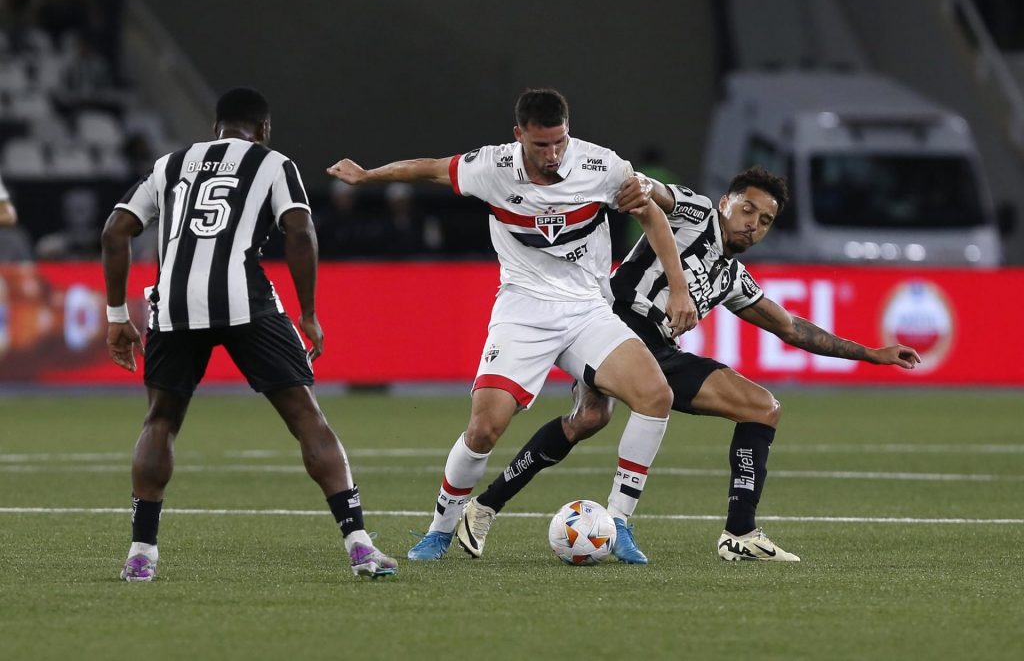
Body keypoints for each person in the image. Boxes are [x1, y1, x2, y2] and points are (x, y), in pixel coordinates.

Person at [461, 167, 923, 562]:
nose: (753, 225)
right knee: (591, 418)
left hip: (658, 350)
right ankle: (490, 509)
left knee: (761, 407)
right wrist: (633, 182)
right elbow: (653, 193)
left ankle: (739, 534)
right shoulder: (696, 212)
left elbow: (792, 329)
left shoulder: (732, 277)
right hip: (611, 326)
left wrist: (868, 352)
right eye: (747, 210)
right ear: (726, 202)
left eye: (765, 221)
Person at [327, 88, 695, 564]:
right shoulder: (492, 167)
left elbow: (653, 216)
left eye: (560, 141)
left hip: (586, 308)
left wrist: (680, 289)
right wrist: (368, 175)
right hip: (523, 312)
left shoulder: (602, 166)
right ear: (519, 135)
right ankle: (439, 530)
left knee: (655, 395)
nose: (554, 153)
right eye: (542, 144)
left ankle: (620, 523)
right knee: (484, 428)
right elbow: (431, 166)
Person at [101, 87, 397, 581]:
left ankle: (141, 555)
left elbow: (115, 230)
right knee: (306, 418)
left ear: (215, 128)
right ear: (263, 129)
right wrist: (307, 313)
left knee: (161, 420)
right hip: (245, 300)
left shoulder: (171, 163)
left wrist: (116, 315)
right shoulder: (273, 163)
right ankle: (360, 546)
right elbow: (300, 231)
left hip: (173, 302)